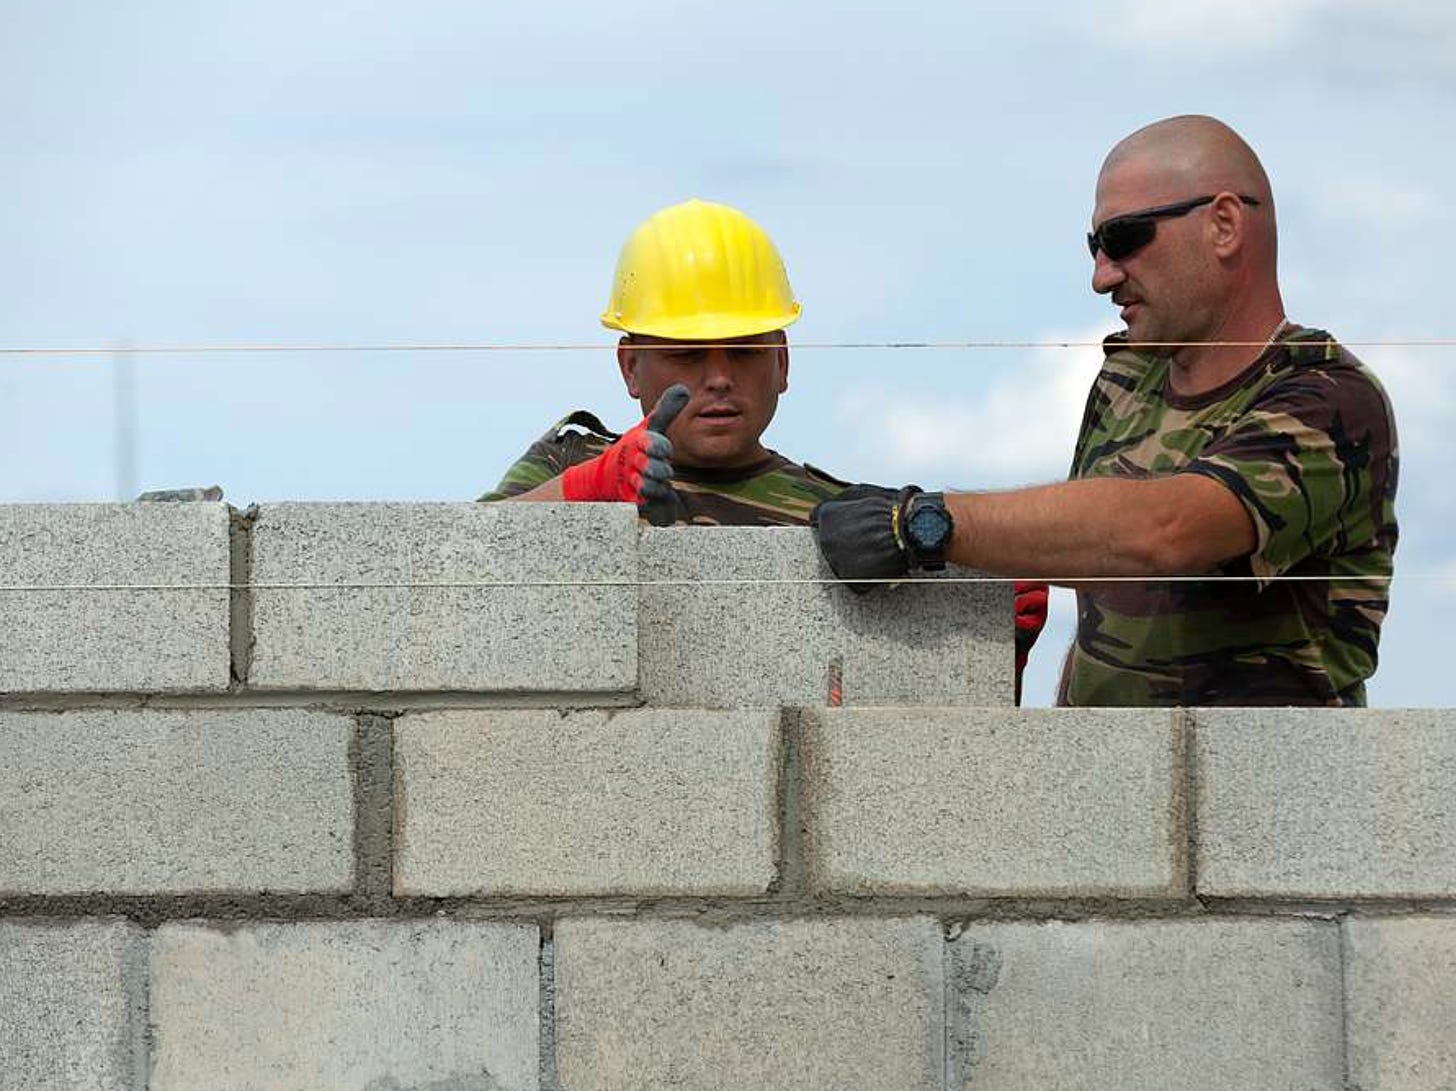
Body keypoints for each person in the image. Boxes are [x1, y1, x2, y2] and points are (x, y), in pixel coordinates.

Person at [811, 115, 1399, 707]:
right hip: (1109, 784)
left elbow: (1166, 533)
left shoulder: (1328, 398)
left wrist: (926, 525)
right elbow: (1105, 607)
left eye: (1124, 238)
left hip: (1260, 790)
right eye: (1094, 246)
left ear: (1224, 225)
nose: (1102, 276)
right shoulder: (1128, 380)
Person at [480, 198, 847, 526]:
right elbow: (455, 553)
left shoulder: (837, 515)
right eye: (686, 353)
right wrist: (586, 487)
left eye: (744, 351)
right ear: (630, 367)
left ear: (781, 361)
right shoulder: (568, 464)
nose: (720, 378)